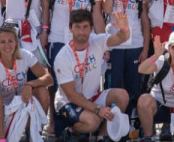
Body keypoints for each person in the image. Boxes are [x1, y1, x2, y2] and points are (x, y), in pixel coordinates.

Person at [53, 9, 132, 140]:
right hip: (68, 102)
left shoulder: (97, 41)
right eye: (77, 27)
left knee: (122, 96)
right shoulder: (63, 57)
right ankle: (71, 131)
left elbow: (120, 38)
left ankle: (103, 135)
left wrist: (124, 29)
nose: (81, 32)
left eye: (85, 27)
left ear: (91, 28)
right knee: (93, 121)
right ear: (70, 28)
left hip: (92, 96)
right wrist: (98, 109)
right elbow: (71, 95)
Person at [100, 0, 150, 113]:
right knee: (113, 87)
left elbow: (144, 19)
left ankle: (131, 127)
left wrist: (145, 48)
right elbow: (106, 9)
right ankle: (110, 127)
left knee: (133, 88)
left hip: (135, 44)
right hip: (115, 44)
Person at [0, 21, 54, 141]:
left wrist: (31, 84)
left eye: (10, 41)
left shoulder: (25, 55)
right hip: (6, 110)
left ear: (17, 42)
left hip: (24, 102)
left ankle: (34, 131)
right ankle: (8, 130)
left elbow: (49, 79)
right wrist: (1, 138)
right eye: (2, 42)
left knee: (42, 91)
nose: (7, 46)